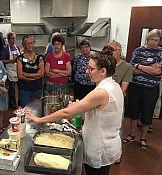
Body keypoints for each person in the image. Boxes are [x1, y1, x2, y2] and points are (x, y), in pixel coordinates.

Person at [28, 46, 124, 175]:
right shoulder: (114, 84)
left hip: (100, 146)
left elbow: (67, 112)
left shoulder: (101, 92)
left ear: (103, 71)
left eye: (91, 69)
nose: (86, 71)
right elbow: (103, 114)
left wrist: (39, 119)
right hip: (108, 141)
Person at [123, 29, 162, 151]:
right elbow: (131, 69)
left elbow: (158, 71)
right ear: (147, 39)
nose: (153, 42)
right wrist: (149, 68)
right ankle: (132, 135)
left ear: (159, 41)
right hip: (135, 86)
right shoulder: (138, 50)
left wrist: (138, 66)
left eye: (156, 40)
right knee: (133, 112)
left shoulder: (161, 53)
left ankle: (143, 138)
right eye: (151, 39)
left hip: (151, 89)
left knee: (147, 113)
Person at [107, 41, 133, 165]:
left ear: (119, 51)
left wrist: (110, 99)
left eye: (111, 50)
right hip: (103, 101)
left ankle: (117, 154)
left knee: (117, 128)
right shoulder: (105, 64)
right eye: (107, 50)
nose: (109, 53)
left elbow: (123, 89)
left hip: (117, 102)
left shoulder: (126, 67)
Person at [17, 35, 45, 107]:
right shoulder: (20, 58)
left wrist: (27, 74)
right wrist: (36, 76)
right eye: (28, 43)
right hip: (25, 89)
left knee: (36, 109)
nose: (30, 45)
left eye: (31, 43)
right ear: (24, 45)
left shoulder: (40, 57)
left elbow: (42, 74)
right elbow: (20, 76)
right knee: (25, 109)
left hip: (37, 88)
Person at [0, 32, 21, 109]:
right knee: (12, 88)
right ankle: (12, 104)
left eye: (15, 38)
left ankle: (19, 102)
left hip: (18, 69)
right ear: (8, 40)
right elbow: (2, 61)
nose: (14, 40)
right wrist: (11, 61)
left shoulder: (17, 48)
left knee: (19, 87)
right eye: (12, 38)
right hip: (10, 70)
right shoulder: (5, 49)